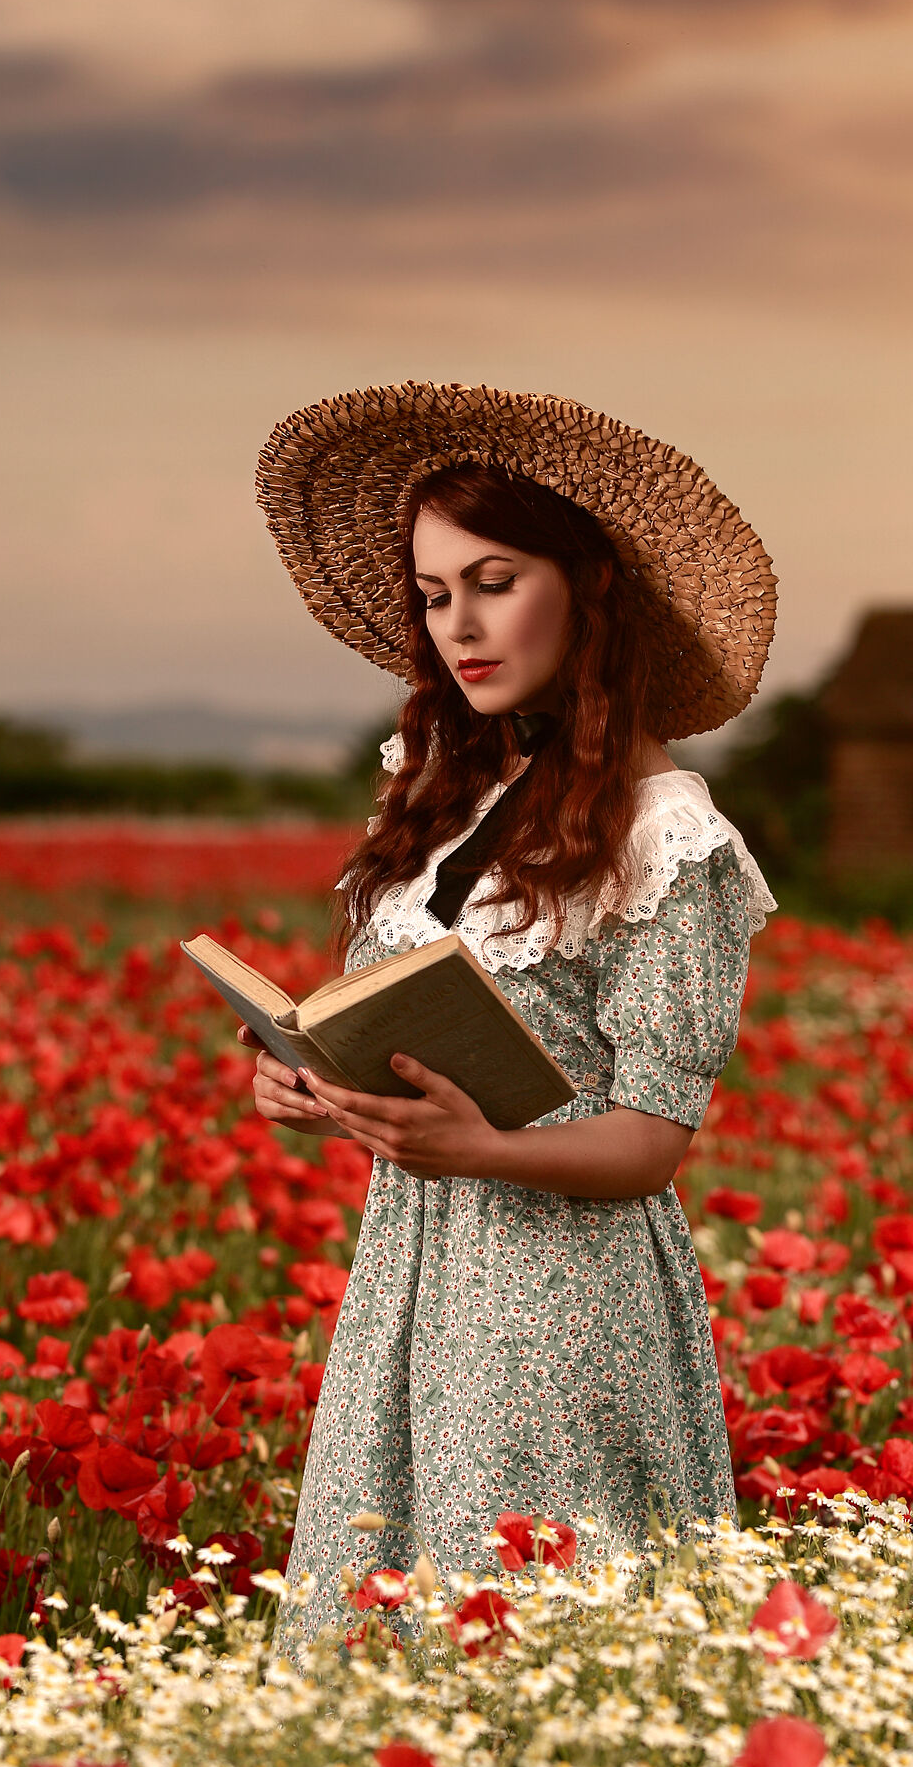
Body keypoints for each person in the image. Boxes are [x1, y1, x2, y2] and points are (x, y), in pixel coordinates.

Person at [246, 381, 778, 1647]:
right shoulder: (462, 802)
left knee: (528, 1630)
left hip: (557, 1298)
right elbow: (418, 1038)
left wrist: (478, 1149)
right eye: (434, 597)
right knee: (390, 1619)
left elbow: (654, 1137)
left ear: (588, 591)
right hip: (413, 1279)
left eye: (491, 581)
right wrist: (314, 1080)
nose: (457, 626)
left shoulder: (668, 837)